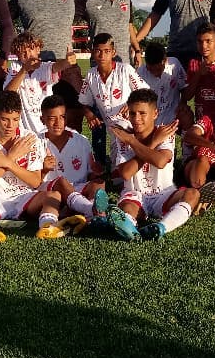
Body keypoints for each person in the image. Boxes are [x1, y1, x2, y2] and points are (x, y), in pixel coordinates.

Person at [0, 91, 82, 245]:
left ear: (20, 116)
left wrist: (6, 162)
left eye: (15, 119)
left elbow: (35, 181)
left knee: (53, 195)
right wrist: (12, 157)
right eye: (4, 120)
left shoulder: (29, 138)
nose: (10, 126)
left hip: (25, 196)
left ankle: (48, 227)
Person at [106, 89, 201, 242]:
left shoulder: (165, 132)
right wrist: (147, 142)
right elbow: (125, 173)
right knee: (127, 209)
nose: (136, 119)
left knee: (192, 194)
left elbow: (160, 161)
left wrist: (134, 142)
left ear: (155, 114)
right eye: (132, 113)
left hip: (163, 194)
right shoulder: (125, 137)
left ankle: (160, 227)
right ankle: (128, 227)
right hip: (135, 193)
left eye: (142, 113)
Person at [9, 0, 84, 130]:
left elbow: (85, 12)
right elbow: (5, 20)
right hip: (36, 66)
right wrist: (16, 46)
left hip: (65, 62)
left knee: (74, 113)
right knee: (40, 116)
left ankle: (73, 155)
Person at [39, 95, 108, 224]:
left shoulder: (81, 141)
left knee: (99, 184)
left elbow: (90, 174)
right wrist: (44, 170)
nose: (58, 123)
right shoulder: (36, 142)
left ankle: (96, 217)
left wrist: (95, 172)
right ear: (42, 120)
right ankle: (90, 210)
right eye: (52, 118)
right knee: (61, 181)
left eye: (62, 117)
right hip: (53, 193)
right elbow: (32, 180)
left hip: (77, 189)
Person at [79, 33, 148, 162]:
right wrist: (89, 114)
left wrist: (131, 104)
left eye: (107, 51)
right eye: (98, 51)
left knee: (130, 168)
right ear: (92, 52)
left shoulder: (125, 70)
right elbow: (83, 102)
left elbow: (146, 92)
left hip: (133, 127)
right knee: (118, 175)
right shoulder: (91, 75)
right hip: (113, 131)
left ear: (113, 52)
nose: (102, 55)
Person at [3, 32, 76, 134]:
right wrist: (24, 70)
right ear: (17, 55)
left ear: (38, 49)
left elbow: (56, 67)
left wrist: (67, 62)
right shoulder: (16, 68)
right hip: (24, 131)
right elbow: (7, 93)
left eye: (30, 49)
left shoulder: (45, 67)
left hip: (46, 129)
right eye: (23, 52)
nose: (27, 55)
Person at [79, 0, 138, 65]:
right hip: (99, 65)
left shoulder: (126, 0)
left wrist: (137, 50)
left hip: (124, 64)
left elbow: (129, 26)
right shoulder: (89, 1)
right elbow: (65, 18)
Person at [183, 23, 215, 126]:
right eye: (200, 41)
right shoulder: (194, 63)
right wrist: (198, 74)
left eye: (208, 41)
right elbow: (187, 96)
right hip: (202, 121)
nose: (204, 46)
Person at [136, 42, 187, 128]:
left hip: (172, 116)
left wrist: (182, 104)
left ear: (165, 60)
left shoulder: (174, 65)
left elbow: (183, 87)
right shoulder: (140, 73)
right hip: (151, 120)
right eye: (151, 70)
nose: (156, 73)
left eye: (159, 69)